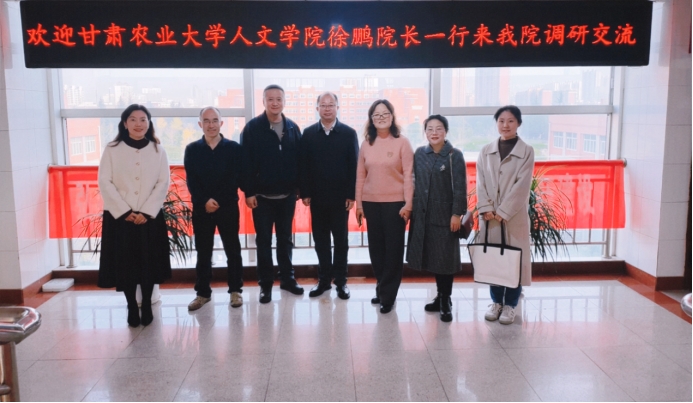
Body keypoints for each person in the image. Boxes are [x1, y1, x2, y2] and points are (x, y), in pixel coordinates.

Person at [97, 104, 171, 327]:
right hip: (121, 219)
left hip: (150, 218)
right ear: (125, 123)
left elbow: (163, 183)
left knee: (149, 263)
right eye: (133, 119)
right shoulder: (112, 149)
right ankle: (131, 305)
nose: (138, 124)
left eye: (143, 119)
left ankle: (146, 304)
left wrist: (146, 211)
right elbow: (104, 182)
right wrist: (126, 212)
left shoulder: (158, 150)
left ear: (149, 123)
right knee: (125, 265)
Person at [241, 84, 304, 303]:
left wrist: (299, 188)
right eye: (270, 99)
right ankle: (265, 284)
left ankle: (287, 279)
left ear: (284, 102)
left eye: (279, 99)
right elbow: (245, 163)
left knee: (285, 240)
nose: (275, 103)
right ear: (264, 102)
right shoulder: (252, 128)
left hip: (287, 196)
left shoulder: (293, 127)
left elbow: (300, 161)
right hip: (261, 198)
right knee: (264, 241)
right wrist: (249, 192)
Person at [355, 99, 414, 314]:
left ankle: (388, 295)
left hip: (396, 205)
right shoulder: (366, 144)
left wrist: (409, 203)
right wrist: (359, 205)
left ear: (392, 116)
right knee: (376, 250)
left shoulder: (402, 142)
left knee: (393, 251)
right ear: (371, 119)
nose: (381, 118)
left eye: (385, 114)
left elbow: (409, 176)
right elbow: (360, 176)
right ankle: (382, 286)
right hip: (371, 203)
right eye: (376, 115)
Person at [477, 105, 534, 325]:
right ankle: (496, 302)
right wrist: (486, 207)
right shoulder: (486, 150)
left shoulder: (526, 151)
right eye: (501, 121)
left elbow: (522, 186)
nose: (505, 125)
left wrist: (503, 211)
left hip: (513, 217)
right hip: (490, 217)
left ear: (518, 123)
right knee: (494, 260)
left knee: (513, 261)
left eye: (510, 121)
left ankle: (510, 304)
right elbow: (480, 181)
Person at [406, 115, 467, 322]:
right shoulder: (419, 153)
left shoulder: (454, 155)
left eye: (438, 128)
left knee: (445, 260)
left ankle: (446, 300)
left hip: (445, 216)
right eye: (430, 129)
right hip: (423, 215)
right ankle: (439, 296)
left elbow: (460, 187)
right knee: (433, 258)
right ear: (425, 132)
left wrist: (457, 213)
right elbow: (412, 181)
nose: (434, 133)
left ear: (446, 131)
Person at [299, 92, 359, 300]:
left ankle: (341, 282)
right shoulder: (308, 134)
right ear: (317, 108)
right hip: (317, 198)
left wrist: (351, 195)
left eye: (331, 105)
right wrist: (305, 192)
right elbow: (303, 165)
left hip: (341, 199)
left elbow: (354, 166)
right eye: (323, 105)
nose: (327, 108)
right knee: (321, 241)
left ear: (337, 108)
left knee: (341, 241)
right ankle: (324, 280)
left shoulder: (349, 133)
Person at [184, 106, 244, 311]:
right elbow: (192, 181)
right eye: (207, 121)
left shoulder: (234, 148)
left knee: (233, 250)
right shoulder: (192, 149)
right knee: (203, 251)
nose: (211, 125)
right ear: (200, 124)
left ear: (221, 123)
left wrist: (217, 201)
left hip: (227, 206)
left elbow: (236, 177)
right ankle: (202, 293)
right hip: (202, 208)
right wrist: (205, 201)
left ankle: (235, 291)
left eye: (215, 120)